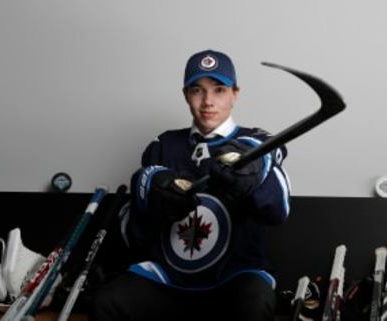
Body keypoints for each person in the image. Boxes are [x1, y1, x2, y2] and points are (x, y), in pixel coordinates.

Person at [90, 49, 291, 321]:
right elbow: (132, 231)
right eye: (197, 90)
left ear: (235, 93)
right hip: (168, 281)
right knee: (107, 302)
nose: (208, 101)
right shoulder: (165, 145)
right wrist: (151, 190)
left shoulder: (259, 142)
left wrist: (254, 169)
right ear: (186, 94)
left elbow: (278, 208)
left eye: (219, 90)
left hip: (233, 280)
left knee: (256, 301)